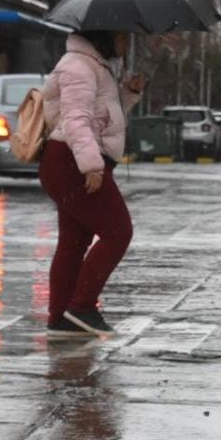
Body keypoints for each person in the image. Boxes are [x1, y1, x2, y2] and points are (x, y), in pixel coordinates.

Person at [39, 30, 147, 337]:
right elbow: (75, 120)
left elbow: (103, 119)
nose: (126, 43)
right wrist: (91, 165)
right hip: (71, 162)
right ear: (103, 35)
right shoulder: (78, 66)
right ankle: (82, 307)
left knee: (73, 243)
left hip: (69, 161)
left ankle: (61, 318)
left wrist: (128, 93)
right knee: (118, 232)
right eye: (123, 37)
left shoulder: (95, 67)